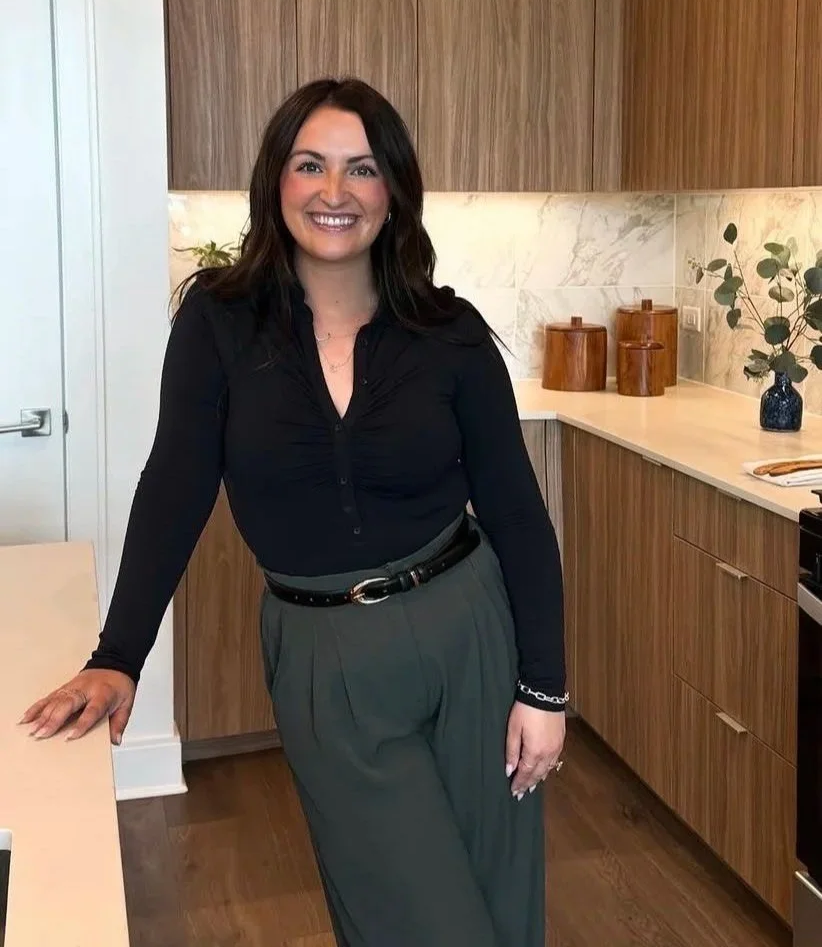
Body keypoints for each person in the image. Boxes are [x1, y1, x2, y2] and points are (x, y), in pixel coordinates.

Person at [20, 78, 567, 947]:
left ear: (393, 194)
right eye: (310, 165)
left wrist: (544, 687)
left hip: (472, 635)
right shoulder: (219, 322)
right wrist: (117, 655)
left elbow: (518, 514)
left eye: (361, 168)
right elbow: (175, 486)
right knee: (414, 918)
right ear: (276, 182)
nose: (335, 191)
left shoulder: (449, 330)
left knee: (500, 904)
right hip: (325, 654)